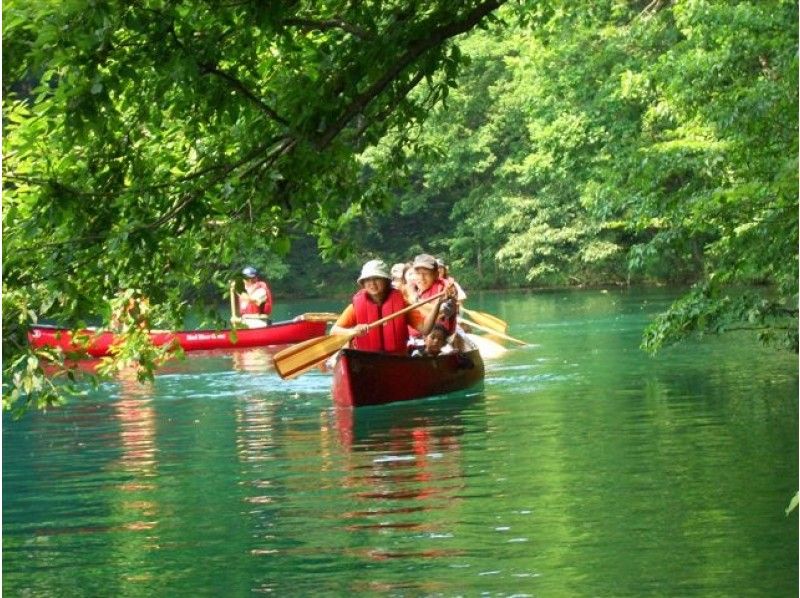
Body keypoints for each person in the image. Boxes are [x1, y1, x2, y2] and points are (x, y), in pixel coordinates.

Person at [330, 259, 454, 354]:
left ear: (386, 281)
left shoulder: (401, 304)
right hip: (365, 357)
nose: (372, 283)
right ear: (363, 283)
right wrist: (353, 331)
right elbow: (334, 330)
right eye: (368, 280)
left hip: (395, 357)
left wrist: (438, 303)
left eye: (377, 279)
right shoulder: (356, 307)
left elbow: (425, 329)